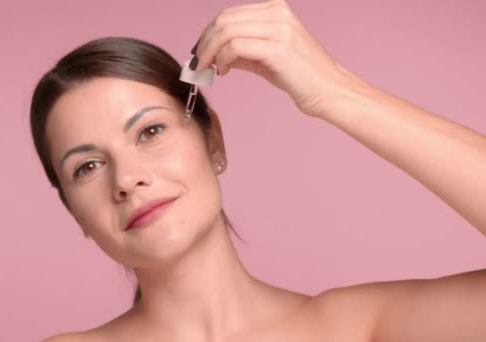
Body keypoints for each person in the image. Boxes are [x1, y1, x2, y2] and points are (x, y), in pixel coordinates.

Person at [31, 0, 486, 341]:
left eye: (149, 132)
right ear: (74, 214)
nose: (127, 178)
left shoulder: (359, 329)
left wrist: (334, 92)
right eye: (87, 166)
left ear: (213, 142)